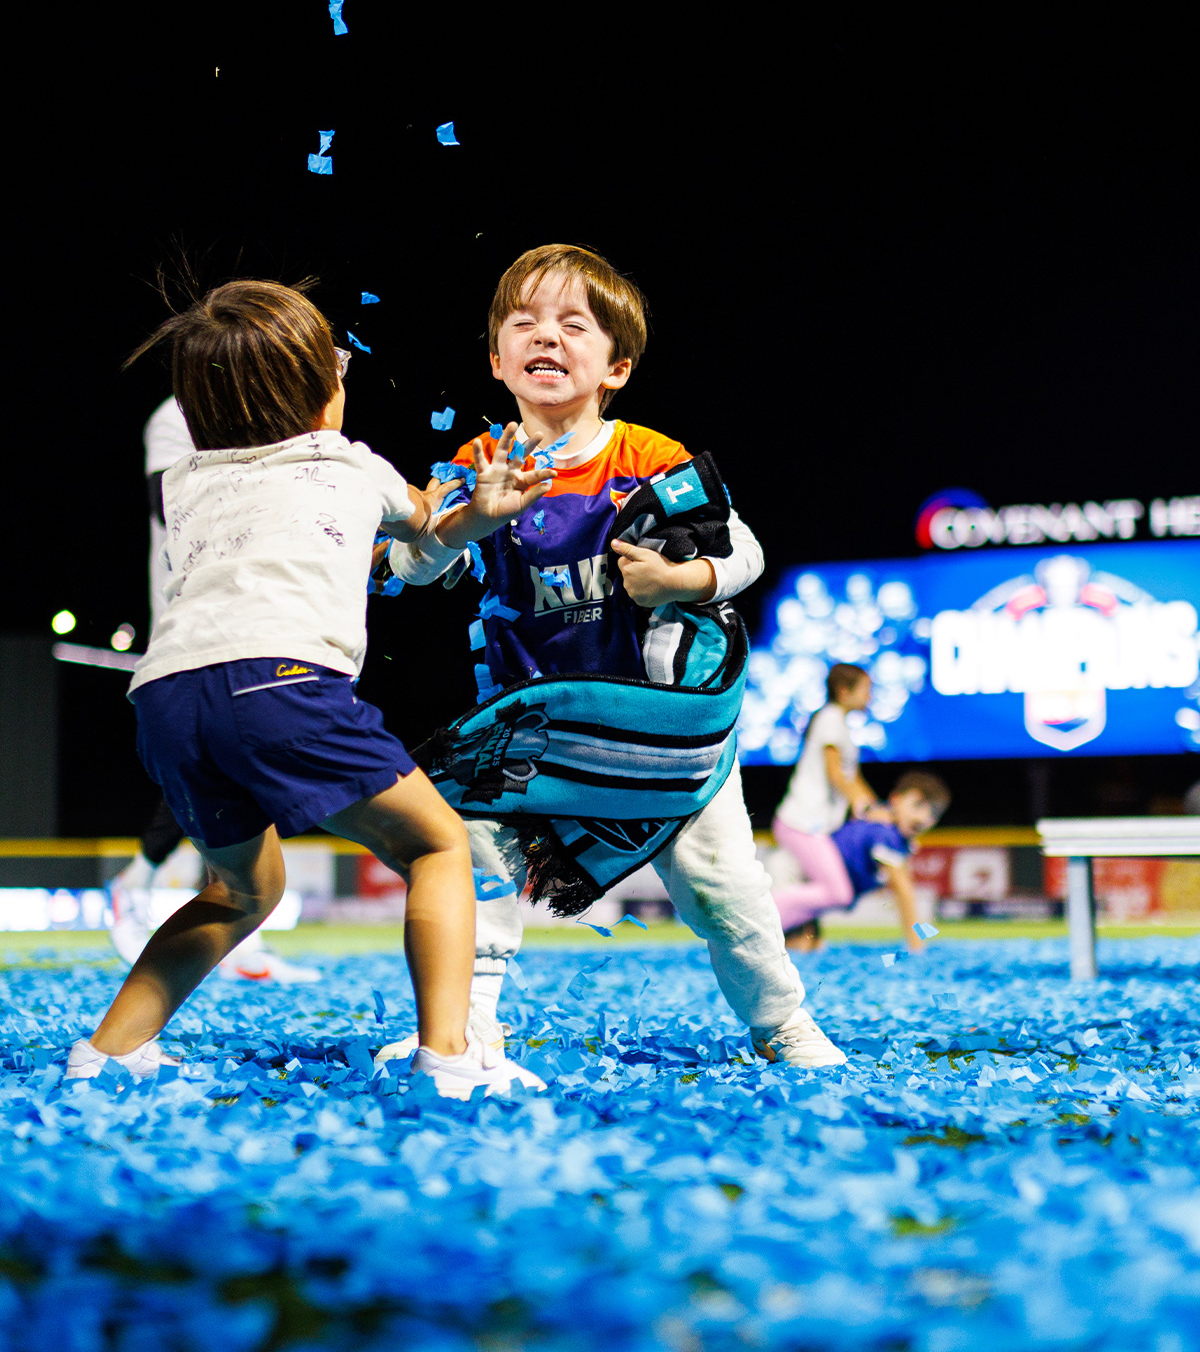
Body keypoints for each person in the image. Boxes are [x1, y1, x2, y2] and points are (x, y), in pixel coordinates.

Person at [376, 243, 846, 1069]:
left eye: (573, 324)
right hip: (536, 733)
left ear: (616, 368)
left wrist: (680, 579)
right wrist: (467, 523)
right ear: (497, 359)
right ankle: (468, 1026)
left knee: (726, 887)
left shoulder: (654, 461)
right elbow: (409, 569)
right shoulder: (475, 465)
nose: (545, 336)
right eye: (524, 322)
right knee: (479, 864)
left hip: (659, 729)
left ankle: (783, 1023)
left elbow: (745, 553)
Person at [67, 278, 540, 1099]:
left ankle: (109, 1049)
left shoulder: (189, 480)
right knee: (438, 847)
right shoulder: (350, 463)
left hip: (168, 698)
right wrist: (480, 511)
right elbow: (425, 532)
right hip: (280, 684)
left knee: (239, 889)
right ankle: (451, 1056)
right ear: (324, 395)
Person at [108, 393, 319, 984]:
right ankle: (142, 882)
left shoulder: (266, 409)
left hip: (258, 613)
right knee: (223, 753)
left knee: (241, 760)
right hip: (198, 618)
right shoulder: (176, 414)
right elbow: (175, 509)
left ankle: (221, 919)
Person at [771, 771, 951, 952]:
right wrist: (917, 945)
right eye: (917, 805)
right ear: (895, 799)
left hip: (797, 881)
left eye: (934, 812)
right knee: (789, 943)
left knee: (805, 947)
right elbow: (903, 890)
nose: (923, 818)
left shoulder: (890, 833)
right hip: (787, 877)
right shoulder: (886, 833)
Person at [770, 662, 880, 949]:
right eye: (866, 690)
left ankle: (776, 929)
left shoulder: (836, 722)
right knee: (839, 894)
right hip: (802, 823)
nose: (870, 697)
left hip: (811, 825)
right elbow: (837, 775)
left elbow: (853, 779)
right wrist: (870, 810)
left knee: (827, 896)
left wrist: (878, 811)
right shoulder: (831, 718)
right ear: (844, 691)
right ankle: (758, 915)